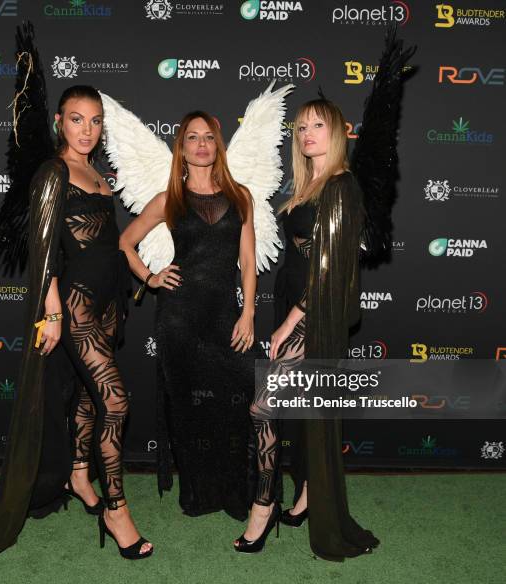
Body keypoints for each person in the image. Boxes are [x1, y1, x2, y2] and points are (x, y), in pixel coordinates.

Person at [0, 26, 152, 564]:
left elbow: (102, 245)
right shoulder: (53, 172)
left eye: (95, 122)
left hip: (105, 305)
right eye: (77, 119)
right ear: (59, 122)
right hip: (70, 308)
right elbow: (43, 247)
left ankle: (77, 476)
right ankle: (116, 509)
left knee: (87, 404)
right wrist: (50, 313)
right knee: (115, 398)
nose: (87, 130)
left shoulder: (95, 173)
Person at [236, 27, 414, 558]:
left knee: (263, 409)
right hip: (294, 304)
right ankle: (309, 490)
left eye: (318, 125)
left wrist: (290, 320)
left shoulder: (340, 187)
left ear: (336, 133)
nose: (307, 133)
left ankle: (263, 507)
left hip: (312, 313)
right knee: (307, 409)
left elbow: (330, 268)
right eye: (302, 126)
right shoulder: (305, 188)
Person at [119, 111, 261, 521]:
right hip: (179, 317)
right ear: (181, 147)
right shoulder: (170, 199)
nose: (201, 145)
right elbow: (125, 242)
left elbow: (248, 262)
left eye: (208, 138)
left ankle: (236, 494)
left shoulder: (241, 196)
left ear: (218, 145)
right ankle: (198, 494)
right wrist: (151, 277)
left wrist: (248, 312)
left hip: (225, 314)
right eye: (192, 138)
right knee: (189, 410)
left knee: (236, 404)